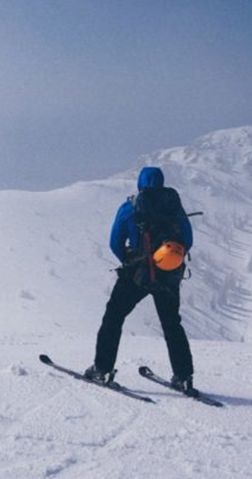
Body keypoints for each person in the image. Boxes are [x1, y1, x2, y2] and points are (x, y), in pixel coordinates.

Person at [84, 166, 197, 394]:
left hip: (136, 274)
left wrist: (129, 259)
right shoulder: (175, 208)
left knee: (113, 318)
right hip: (168, 276)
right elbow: (188, 239)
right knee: (172, 324)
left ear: (139, 183)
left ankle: (102, 368)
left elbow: (115, 241)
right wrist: (167, 261)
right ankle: (183, 377)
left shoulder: (130, 207)